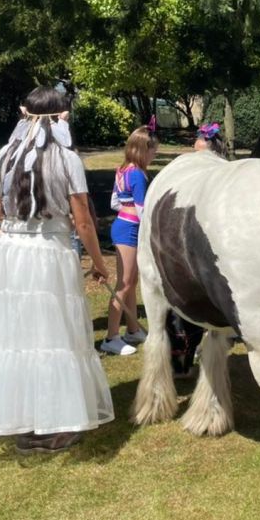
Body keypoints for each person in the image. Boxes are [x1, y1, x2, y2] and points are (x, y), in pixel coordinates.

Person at [0, 86, 114, 455]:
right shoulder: (66, 159)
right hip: (48, 253)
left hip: (10, 253)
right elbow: (83, 220)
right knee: (53, 335)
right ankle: (54, 424)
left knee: (18, 335)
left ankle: (24, 416)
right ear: (60, 117)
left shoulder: (4, 157)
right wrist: (98, 261)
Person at [101, 126, 158, 355]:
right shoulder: (137, 174)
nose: (154, 155)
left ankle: (132, 329)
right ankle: (111, 336)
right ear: (143, 149)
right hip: (130, 230)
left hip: (123, 226)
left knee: (131, 281)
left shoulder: (123, 170)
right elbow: (142, 208)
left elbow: (115, 202)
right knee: (124, 284)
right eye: (153, 150)